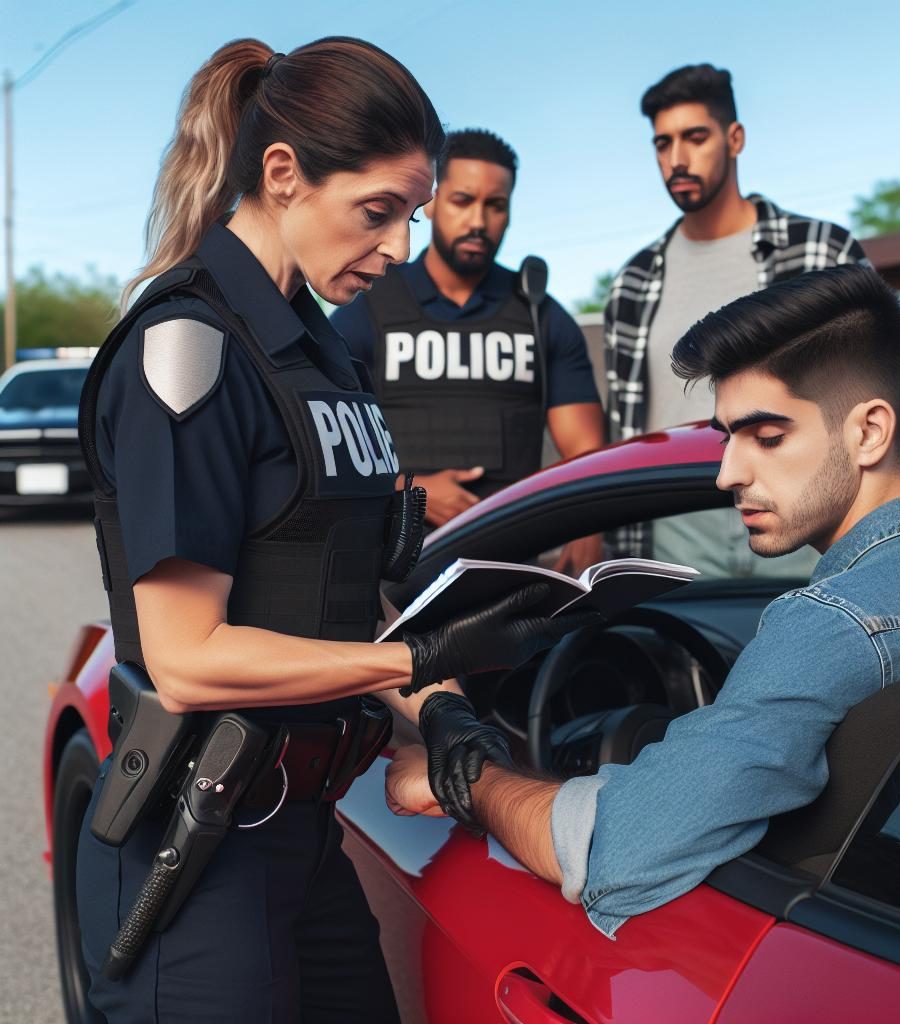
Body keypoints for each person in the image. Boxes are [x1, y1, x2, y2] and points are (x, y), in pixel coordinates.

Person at [75, 38, 590, 1022]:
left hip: (308, 831)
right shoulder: (189, 350)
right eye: (377, 211)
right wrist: (407, 665)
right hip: (202, 848)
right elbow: (187, 659)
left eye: (411, 214)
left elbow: (355, 590)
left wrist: (441, 708)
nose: (398, 246)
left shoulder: (322, 354)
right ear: (281, 175)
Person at [385, 265, 900, 940]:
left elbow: (613, 852)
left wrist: (464, 775)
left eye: (767, 437)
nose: (726, 474)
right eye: (726, 437)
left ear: (868, 432)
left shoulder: (829, 628)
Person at [605, 63, 869, 575]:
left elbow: (865, 390)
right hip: (680, 517)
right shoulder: (634, 283)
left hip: (801, 507)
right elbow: (625, 424)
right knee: (685, 654)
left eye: (695, 138)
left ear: (735, 138)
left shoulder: (819, 252)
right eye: (663, 144)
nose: (677, 159)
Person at [330, 129, 604, 572]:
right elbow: (326, 451)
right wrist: (405, 490)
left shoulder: (540, 314)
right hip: (394, 574)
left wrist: (590, 526)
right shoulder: (371, 308)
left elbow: (586, 450)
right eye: (463, 201)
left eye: (495, 206)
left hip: (512, 570)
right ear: (433, 201)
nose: (478, 221)